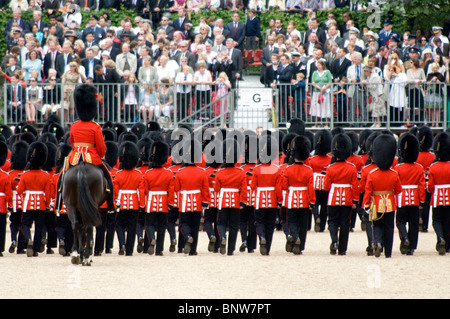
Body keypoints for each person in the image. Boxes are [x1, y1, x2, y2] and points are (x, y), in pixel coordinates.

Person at [64, 84, 116, 215]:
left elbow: (72, 142)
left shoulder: (74, 126)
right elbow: (101, 146)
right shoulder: (96, 127)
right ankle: (110, 205)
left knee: (62, 177)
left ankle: (59, 202)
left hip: (75, 157)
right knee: (108, 177)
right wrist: (102, 155)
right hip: (92, 157)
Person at [363, 134, 402, 258]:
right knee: (389, 227)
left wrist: (366, 204)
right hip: (390, 204)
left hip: (376, 204)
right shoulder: (394, 174)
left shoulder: (372, 174)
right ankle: (388, 252)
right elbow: (398, 190)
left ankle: (378, 242)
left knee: (377, 225)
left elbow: (368, 191)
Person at [323, 133, 359, 255]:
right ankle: (342, 248)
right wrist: (355, 200)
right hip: (347, 198)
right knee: (345, 223)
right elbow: (355, 186)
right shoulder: (352, 167)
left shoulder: (330, 168)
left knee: (332, 221)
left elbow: (326, 186)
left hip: (333, 198)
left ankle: (334, 241)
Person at [174, 137, 210, 255]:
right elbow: (205, 188)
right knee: (195, 225)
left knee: (184, 223)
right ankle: (193, 250)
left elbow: (176, 188)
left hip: (184, 202)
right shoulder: (202, 172)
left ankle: (187, 236)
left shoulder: (180, 172)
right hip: (197, 201)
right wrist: (205, 202)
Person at [281, 135, 315, 255]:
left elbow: (284, 186)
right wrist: (312, 201)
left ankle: (295, 238)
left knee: (292, 222)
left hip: (291, 199)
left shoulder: (288, 169)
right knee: (303, 224)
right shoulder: (308, 170)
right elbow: (310, 188)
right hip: (305, 199)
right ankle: (300, 246)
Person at [17, 142, 51, 257]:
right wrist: (47, 205)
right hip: (41, 204)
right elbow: (48, 193)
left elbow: (19, 191)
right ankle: (35, 249)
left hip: (28, 204)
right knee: (39, 226)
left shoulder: (25, 175)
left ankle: (28, 239)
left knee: (25, 224)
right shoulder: (45, 175)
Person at [251, 134, 282, 255]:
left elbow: (253, 186)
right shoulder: (276, 169)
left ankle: (262, 238)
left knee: (259, 222)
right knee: (270, 224)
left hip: (259, 200)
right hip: (272, 201)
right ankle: (267, 247)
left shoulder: (257, 169)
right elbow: (278, 188)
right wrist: (280, 200)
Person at [214, 139, 247, 256]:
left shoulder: (220, 172)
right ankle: (230, 249)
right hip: (235, 201)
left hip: (223, 200)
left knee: (221, 223)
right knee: (234, 225)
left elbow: (216, 189)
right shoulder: (240, 172)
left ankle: (223, 237)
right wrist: (243, 202)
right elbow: (244, 189)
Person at [141, 141, 174, 255]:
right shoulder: (168, 173)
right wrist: (170, 203)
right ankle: (159, 250)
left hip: (151, 201)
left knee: (149, 224)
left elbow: (145, 190)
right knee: (161, 226)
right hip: (164, 202)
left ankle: (151, 238)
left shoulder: (148, 173)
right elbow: (171, 190)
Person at [395, 133, 426, 255]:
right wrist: (422, 201)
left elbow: (396, 185)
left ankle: (405, 239)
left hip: (402, 199)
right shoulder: (419, 168)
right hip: (414, 199)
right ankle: (411, 247)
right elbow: (421, 186)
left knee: (400, 222)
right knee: (413, 223)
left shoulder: (398, 168)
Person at [113, 141, 143, 256]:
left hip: (121, 203)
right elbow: (140, 191)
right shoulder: (138, 174)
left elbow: (115, 192)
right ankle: (129, 250)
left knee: (119, 225)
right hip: (134, 204)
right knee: (132, 226)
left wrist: (115, 202)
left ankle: (122, 245)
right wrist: (141, 205)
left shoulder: (119, 174)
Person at [427, 132, 450, 255]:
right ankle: (447, 244)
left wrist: (430, 191)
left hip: (437, 198)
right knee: (447, 221)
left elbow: (430, 187)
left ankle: (440, 238)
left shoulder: (433, 167)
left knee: (436, 220)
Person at [7, 140, 29, 254]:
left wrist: (9, 204)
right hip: (25, 201)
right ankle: (21, 246)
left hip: (14, 202)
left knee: (14, 222)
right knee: (23, 224)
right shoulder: (26, 174)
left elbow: (8, 191)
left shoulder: (10, 175)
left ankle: (13, 240)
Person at [309, 129, 332, 232]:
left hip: (315, 184)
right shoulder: (330, 159)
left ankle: (316, 217)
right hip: (326, 184)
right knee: (324, 205)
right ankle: (321, 225)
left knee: (315, 203)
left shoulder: (312, 160)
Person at [310, 60, 333, 128]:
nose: (318, 66)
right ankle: (316, 124)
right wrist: (318, 88)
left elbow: (329, 81)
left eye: (319, 65)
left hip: (325, 92)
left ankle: (326, 124)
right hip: (316, 91)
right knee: (316, 107)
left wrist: (324, 88)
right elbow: (313, 82)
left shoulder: (327, 72)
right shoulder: (314, 72)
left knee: (325, 107)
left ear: (323, 65)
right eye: (317, 65)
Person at [0, 141, 13, 257]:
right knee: (1, 227)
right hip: (2, 204)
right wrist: (10, 205)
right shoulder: (5, 175)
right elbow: (8, 193)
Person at [424, 62, 445, 127]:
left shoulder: (440, 75)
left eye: (436, 68)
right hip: (431, 93)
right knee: (432, 108)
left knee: (437, 108)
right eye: (434, 68)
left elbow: (443, 84)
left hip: (437, 92)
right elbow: (427, 83)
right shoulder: (429, 75)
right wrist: (431, 81)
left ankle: (437, 122)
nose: (435, 69)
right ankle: (433, 122)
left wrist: (438, 81)